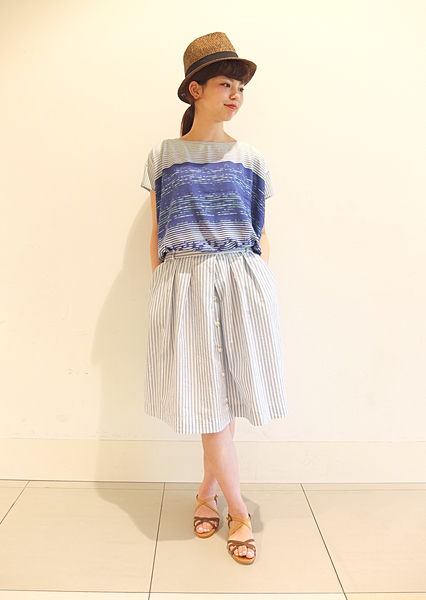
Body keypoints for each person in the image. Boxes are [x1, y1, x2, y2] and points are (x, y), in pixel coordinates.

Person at [140, 32, 289, 565]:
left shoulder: (251, 158)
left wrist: (258, 277)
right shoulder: (163, 155)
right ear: (195, 89)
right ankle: (238, 511)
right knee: (209, 403)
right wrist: (163, 285)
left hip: (241, 282)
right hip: (185, 286)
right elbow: (157, 230)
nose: (236, 95)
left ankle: (210, 495)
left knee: (223, 400)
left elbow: (260, 230)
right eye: (226, 84)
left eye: (240, 87)